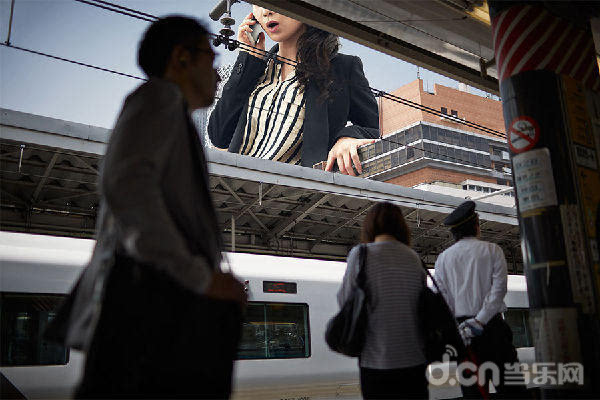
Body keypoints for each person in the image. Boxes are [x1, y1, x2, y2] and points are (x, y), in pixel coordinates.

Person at [48, 16, 247, 398]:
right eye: (212, 57)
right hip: (148, 303)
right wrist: (200, 277)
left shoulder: (171, 112)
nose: (218, 74)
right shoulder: (158, 98)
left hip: (149, 299)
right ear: (181, 58)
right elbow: (128, 188)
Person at [208, 5, 379, 175]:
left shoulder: (342, 68)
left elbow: (377, 128)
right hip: (235, 191)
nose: (266, 11)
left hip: (295, 194)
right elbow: (219, 136)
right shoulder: (255, 68)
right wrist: (247, 58)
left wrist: (347, 138)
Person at [434, 200, 527, 399]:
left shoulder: (443, 259)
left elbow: (443, 301)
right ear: (476, 225)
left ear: (454, 232)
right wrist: (480, 320)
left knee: (473, 392)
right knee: (512, 390)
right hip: (494, 331)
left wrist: (463, 327)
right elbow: (498, 291)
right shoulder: (493, 250)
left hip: (464, 336)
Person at [338, 202, 428, 399]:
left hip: (375, 361)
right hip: (414, 361)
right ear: (401, 226)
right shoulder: (414, 258)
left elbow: (345, 300)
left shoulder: (361, 255)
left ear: (370, 226)